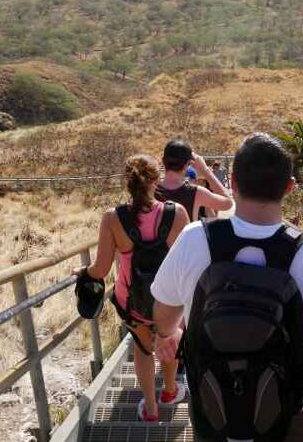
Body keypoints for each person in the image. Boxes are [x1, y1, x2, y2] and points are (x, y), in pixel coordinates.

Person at [151, 133, 303, 441]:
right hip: (293, 411)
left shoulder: (195, 239)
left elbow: (164, 318)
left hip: (213, 401)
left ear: (232, 182)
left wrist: (169, 334)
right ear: (289, 187)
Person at [74, 154, 190, 422]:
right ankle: (171, 391)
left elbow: (100, 270)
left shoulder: (113, 218)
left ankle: (150, 409)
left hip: (132, 301)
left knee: (143, 349)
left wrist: (84, 272)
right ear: (156, 179)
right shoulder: (177, 214)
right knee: (168, 341)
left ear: (127, 182)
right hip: (169, 300)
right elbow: (186, 265)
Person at [156, 139, 233, 221]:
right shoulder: (197, 192)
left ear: (163, 160)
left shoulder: (150, 190)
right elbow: (228, 203)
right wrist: (205, 170)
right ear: (188, 164)